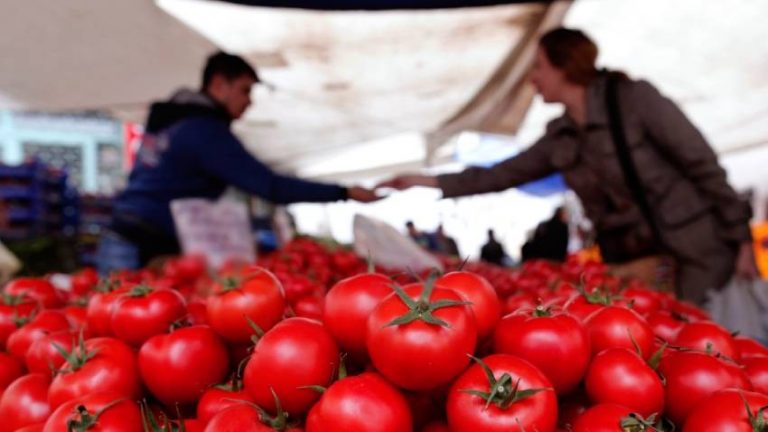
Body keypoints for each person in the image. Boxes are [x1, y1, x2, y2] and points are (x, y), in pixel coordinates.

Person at [378, 28, 757, 305]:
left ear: (566, 67)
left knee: (707, 339)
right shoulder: (561, 135)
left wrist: (740, 238)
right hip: (634, 262)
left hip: (695, 252)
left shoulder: (634, 100)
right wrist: (425, 181)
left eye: (540, 67)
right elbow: (502, 173)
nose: (533, 78)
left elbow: (703, 165)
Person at [110, 51, 378, 266]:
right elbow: (270, 186)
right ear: (218, 85)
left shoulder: (172, 120)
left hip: (128, 233)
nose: (249, 101)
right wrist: (344, 191)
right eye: (245, 90)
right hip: (142, 243)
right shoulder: (204, 131)